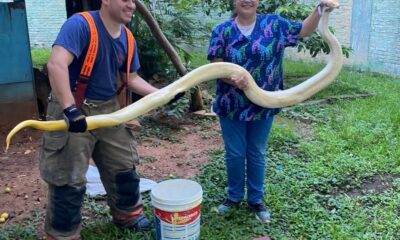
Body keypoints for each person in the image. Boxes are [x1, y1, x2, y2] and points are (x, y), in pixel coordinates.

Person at [42, 0, 160, 239]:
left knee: (123, 165)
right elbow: (56, 64)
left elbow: (132, 78)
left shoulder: (127, 38)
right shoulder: (81, 25)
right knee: (69, 176)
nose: (132, 5)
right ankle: (62, 233)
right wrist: (69, 109)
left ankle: (128, 214)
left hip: (110, 110)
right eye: (126, 0)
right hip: (74, 107)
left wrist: (163, 94)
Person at [207, 0, 334, 223]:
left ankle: (256, 200)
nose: (247, 1)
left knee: (256, 152)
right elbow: (216, 66)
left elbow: (304, 30)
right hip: (231, 104)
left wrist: (319, 9)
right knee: (235, 153)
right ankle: (233, 198)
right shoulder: (222, 30)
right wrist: (234, 80)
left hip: (264, 103)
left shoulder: (274, 25)